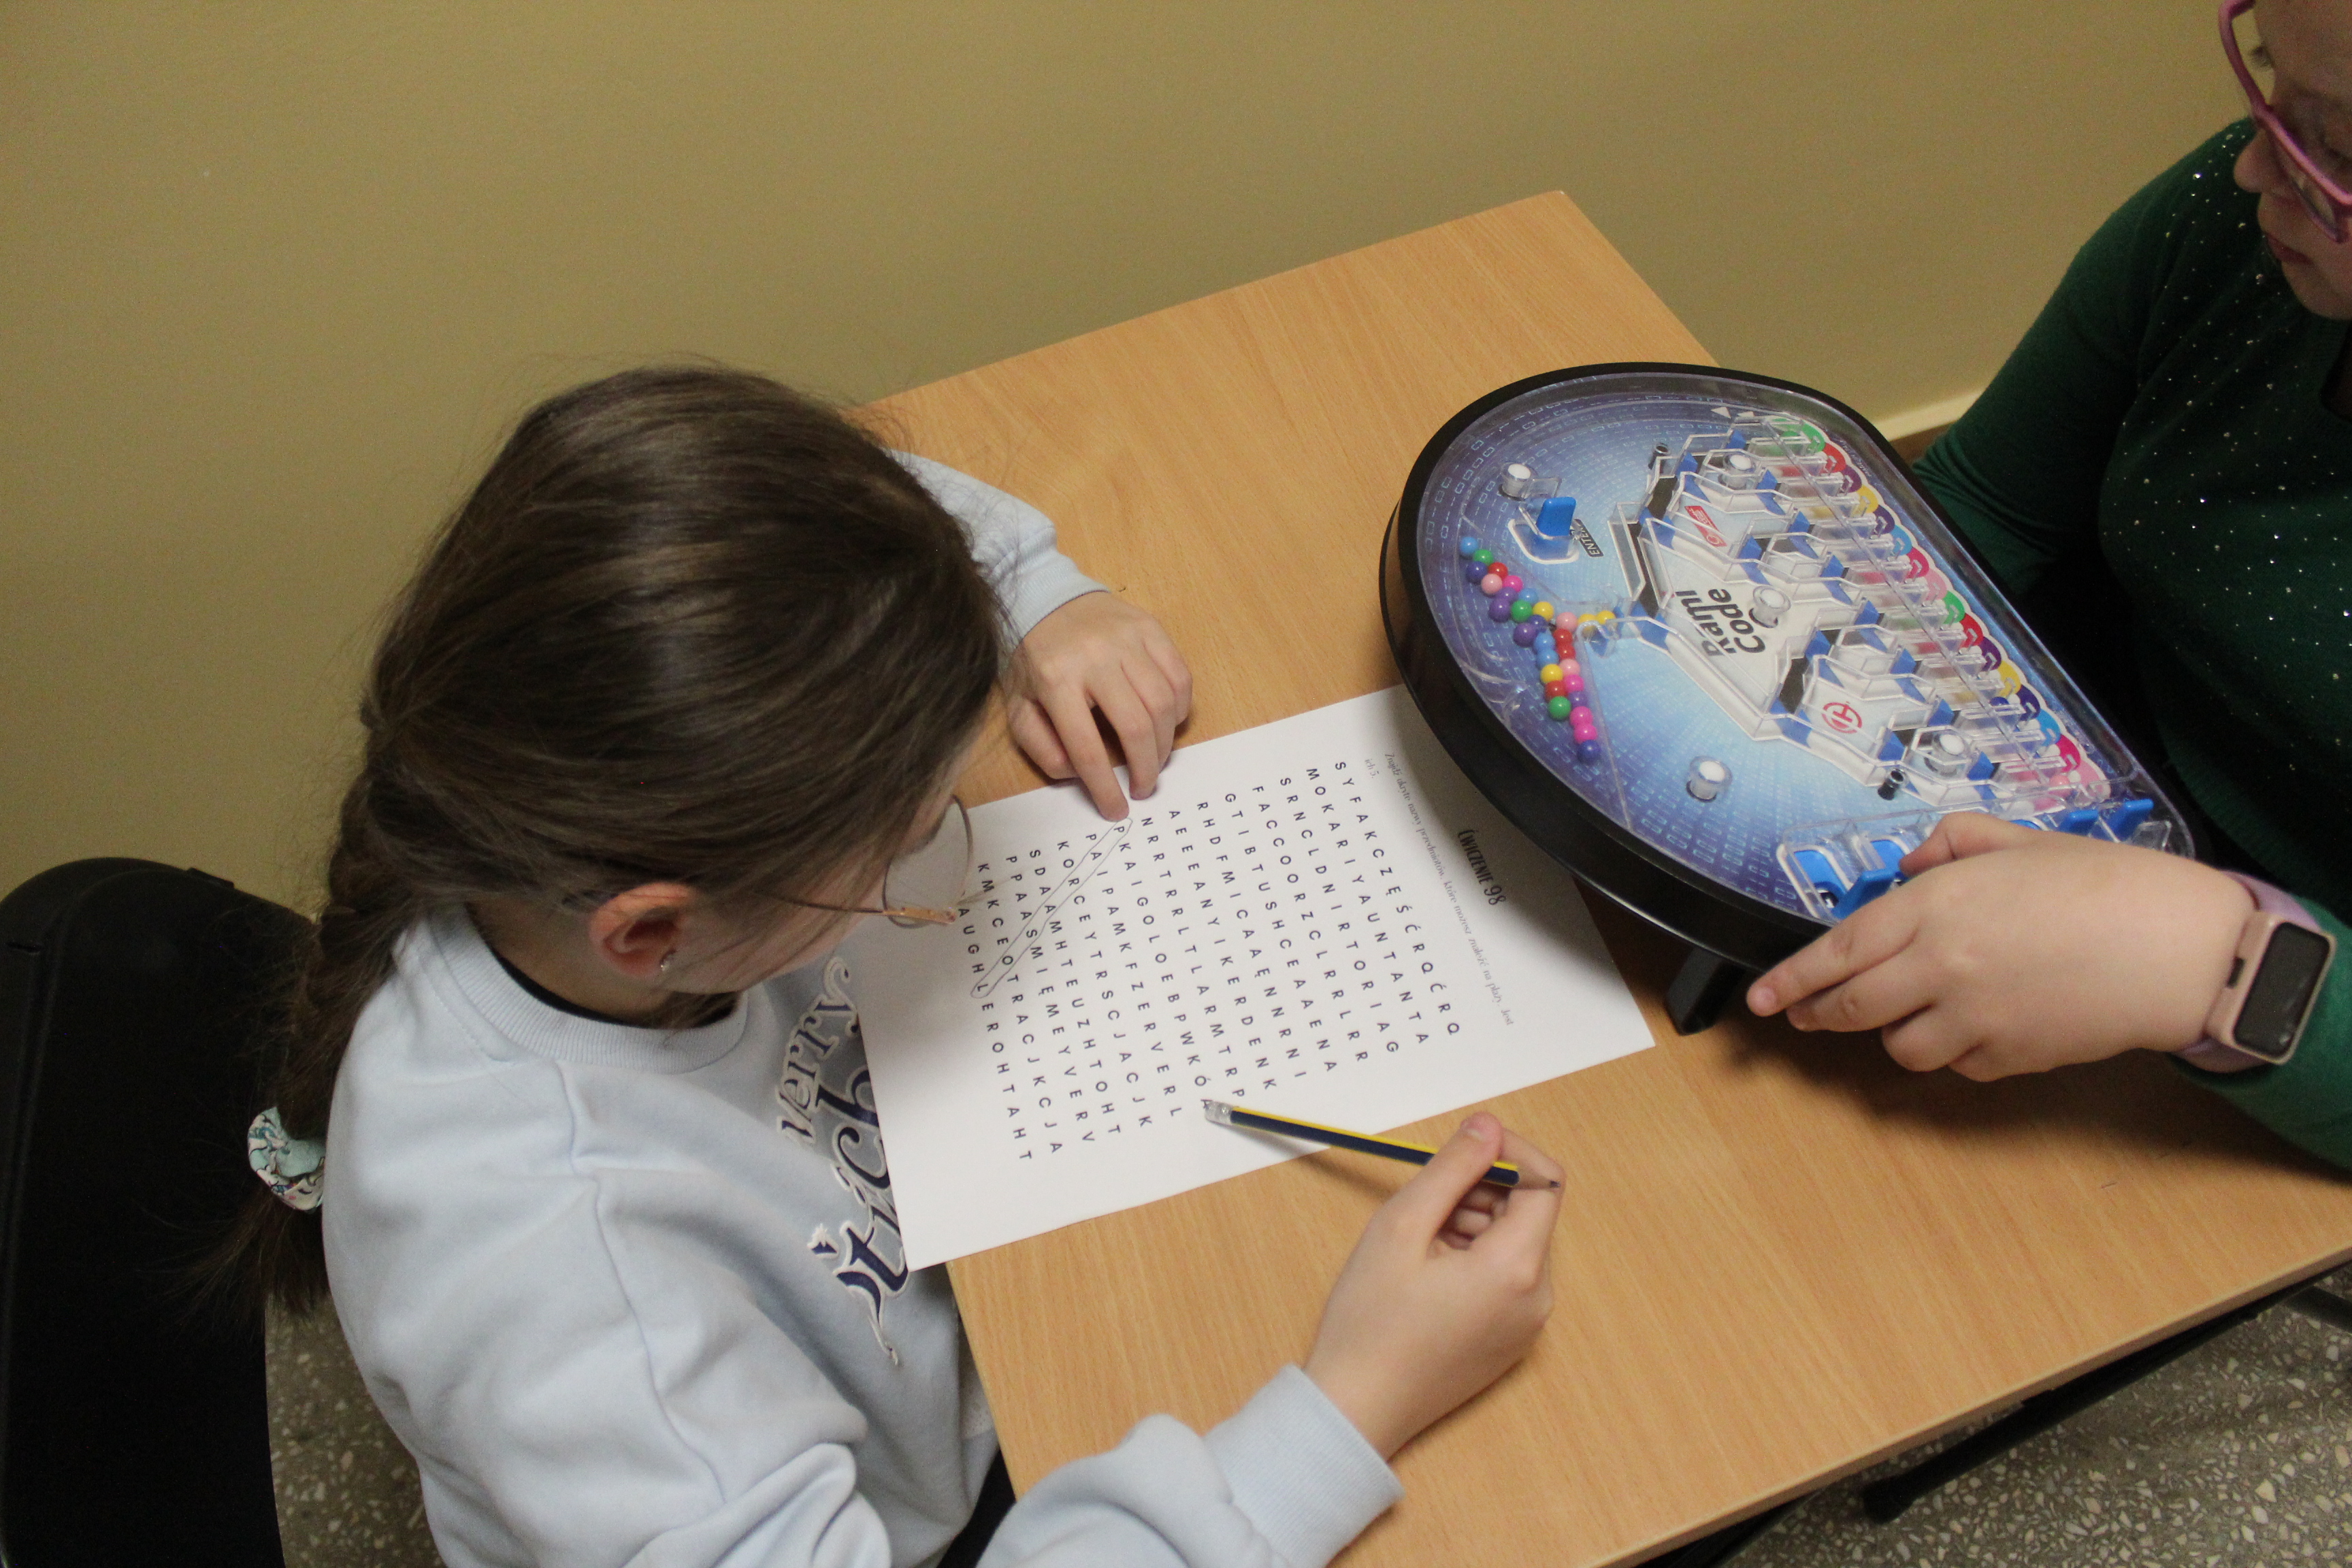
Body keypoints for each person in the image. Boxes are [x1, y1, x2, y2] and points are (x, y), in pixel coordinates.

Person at [228, 366, 1565, 1568]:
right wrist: (1354, 1404)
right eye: (906, 845)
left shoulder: (549, 776)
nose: (924, 866)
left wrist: (1038, 599)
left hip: (953, 1284)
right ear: (652, 933)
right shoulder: (589, 1326)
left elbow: (871, 511)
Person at [1745, 0, 2352, 1171]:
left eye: (2339, 144)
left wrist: (2219, 964)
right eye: (2271, 75)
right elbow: (1985, 515)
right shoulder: (2243, 222)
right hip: (2072, 827)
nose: (2255, 164)